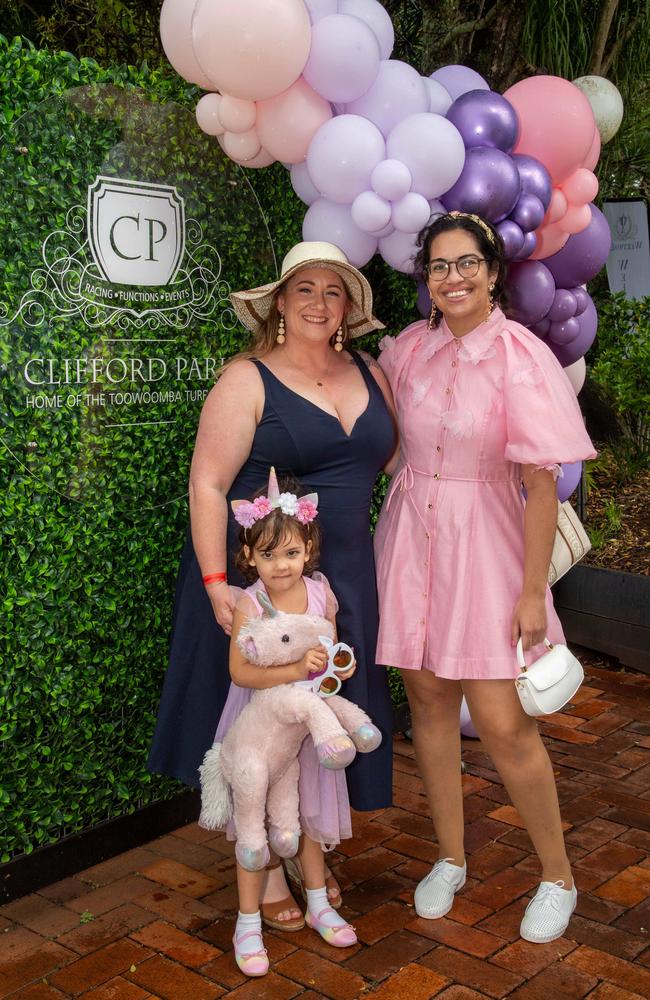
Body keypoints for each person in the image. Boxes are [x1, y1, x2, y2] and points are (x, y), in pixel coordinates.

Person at [148, 241, 397, 929]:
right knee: (264, 724)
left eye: (334, 291)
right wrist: (216, 583)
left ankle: (305, 848)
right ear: (280, 303)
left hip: (345, 578)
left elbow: (406, 464)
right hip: (270, 585)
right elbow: (208, 483)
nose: (320, 302)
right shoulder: (247, 377)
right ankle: (264, 862)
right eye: (305, 289)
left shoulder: (372, 371)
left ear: (349, 306)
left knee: (322, 713)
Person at [374, 211, 596, 944]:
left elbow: (540, 484)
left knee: (504, 724)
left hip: (490, 549)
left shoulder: (519, 357)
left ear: (493, 271)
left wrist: (534, 590)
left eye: (467, 263)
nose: (454, 278)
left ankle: (558, 875)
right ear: (426, 280)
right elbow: (383, 443)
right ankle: (449, 855)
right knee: (430, 707)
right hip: (412, 541)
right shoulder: (407, 351)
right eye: (439, 266)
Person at [214, 470, 361, 976]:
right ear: (249, 555)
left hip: (311, 725)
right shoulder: (250, 603)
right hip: (261, 726)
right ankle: (248, 922)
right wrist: (297, 669)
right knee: (255, 821)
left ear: (308, 549)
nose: (282, 565)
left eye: (292, 553)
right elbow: (239, 670)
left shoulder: (321, 593)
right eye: (269, 555)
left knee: (311, 817)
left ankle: (318, 902)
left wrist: (337, 667)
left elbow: (332, 654)